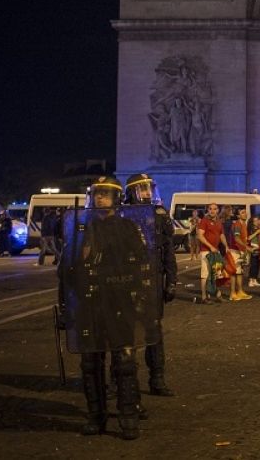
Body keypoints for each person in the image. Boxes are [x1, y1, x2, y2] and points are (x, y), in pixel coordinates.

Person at [59, 176, 158, 440]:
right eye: (98, 194)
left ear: (116, 198)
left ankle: (128, 416)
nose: (101, 198)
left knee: (124, 362)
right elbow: (66, 269)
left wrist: (139, 299)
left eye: (106, 194)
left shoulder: (127, 228)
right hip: (89, 305)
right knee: (90, 363)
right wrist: (64, 306)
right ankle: (96, 416)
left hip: (119, 302)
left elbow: (141, 264)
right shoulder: (82, 229)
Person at [123, 173, 178, 396]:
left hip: (153, 279)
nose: (147, 193)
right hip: (127, 280)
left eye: (149, 188)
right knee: (124, 333)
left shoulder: (160, 216)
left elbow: (168, 252)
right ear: (131, 193)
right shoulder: (122, 215)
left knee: (154, 331)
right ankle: (122, 381)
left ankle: (157, 379)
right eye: (142, 189)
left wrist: (172, 280)